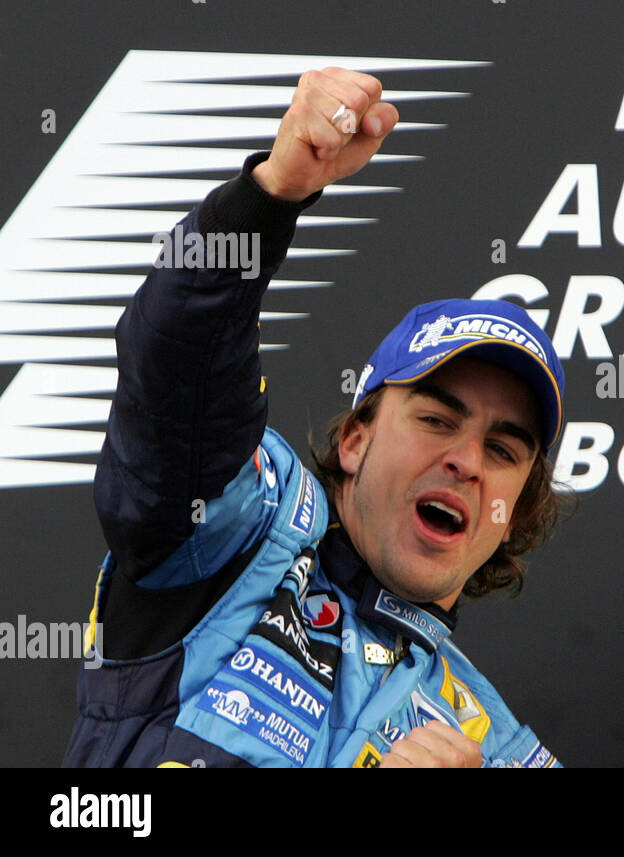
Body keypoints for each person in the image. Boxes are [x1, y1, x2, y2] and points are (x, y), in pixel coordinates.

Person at [63, 68, 567, 768]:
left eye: (504, 449)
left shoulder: (501, 748)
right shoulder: (241, 538)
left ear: (513, 511)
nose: (467, 461)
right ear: (356, 439)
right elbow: (177, 386)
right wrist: (269, 198)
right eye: (436, 419)